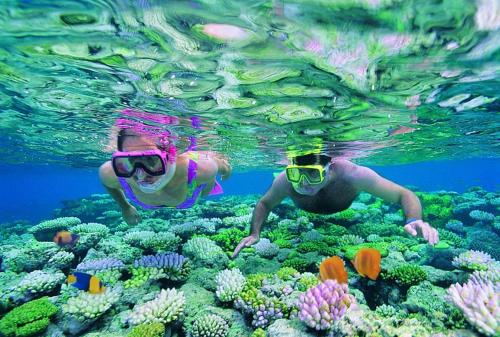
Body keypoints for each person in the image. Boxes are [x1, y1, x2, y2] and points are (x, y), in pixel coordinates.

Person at [232, 152, 438, 257]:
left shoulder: (353, 175)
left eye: (313, 173)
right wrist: (254, 233)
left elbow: (404, 194)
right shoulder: (285, 181)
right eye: (296, 173)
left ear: (329, 169)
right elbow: (265, 203)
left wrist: (414, 219)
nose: (303, 183)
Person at [99, 126, 231, 226]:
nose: (141, 174)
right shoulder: (110, 172)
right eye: (128, 161)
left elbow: (223, 167)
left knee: (207, 178)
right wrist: (125, 207)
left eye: (150, 159)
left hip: (194, 186)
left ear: (169, 156)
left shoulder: (201, 169)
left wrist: (226, 170)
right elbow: (107, 184)